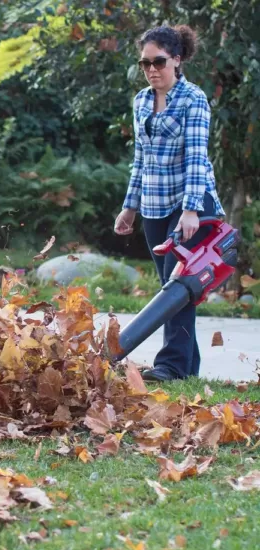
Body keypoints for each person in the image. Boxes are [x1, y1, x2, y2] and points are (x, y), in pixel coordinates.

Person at [114, 24, 225, 382]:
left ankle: (170, 366)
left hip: (189, 203)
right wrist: (129, 207)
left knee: (177, 289)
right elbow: (140, 160)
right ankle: (187, 367)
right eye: (144, 63)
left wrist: (191, 209)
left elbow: (196, 157)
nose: (151, 70)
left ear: (177, 59)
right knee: (174, 290)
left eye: (158, 61)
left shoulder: (194, 99)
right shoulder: (141, 101)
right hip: (154, 204)